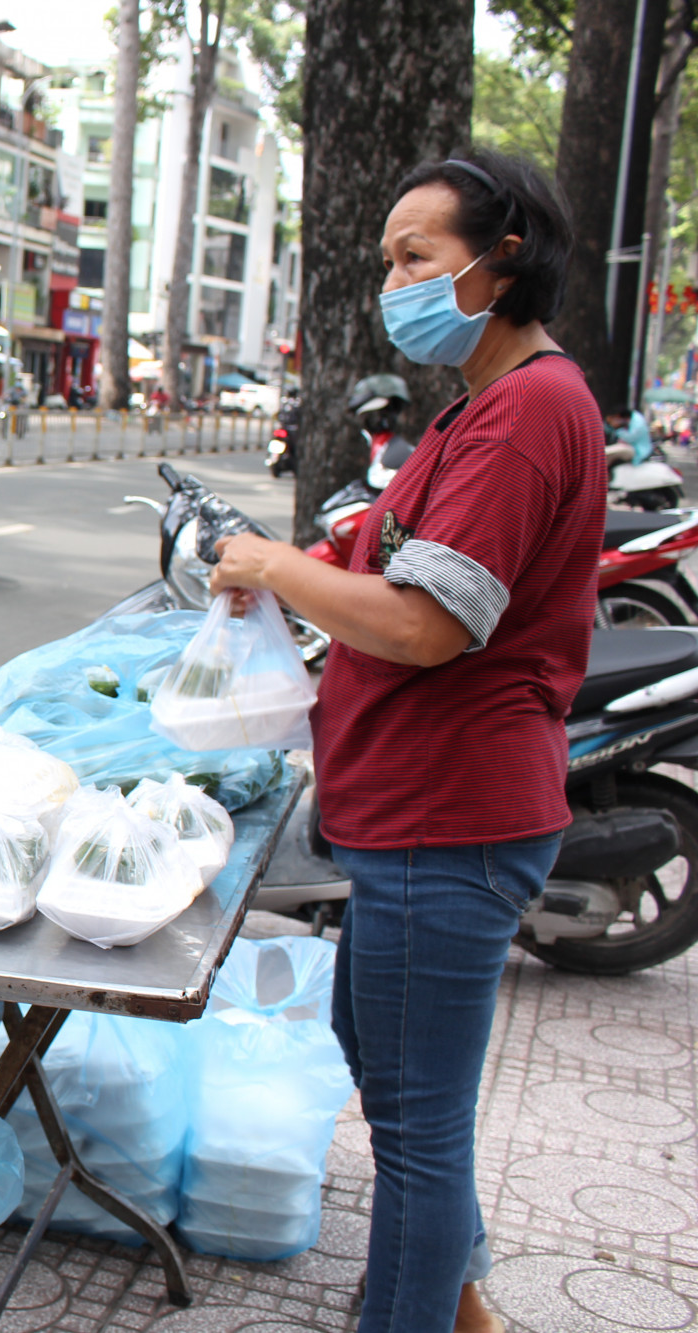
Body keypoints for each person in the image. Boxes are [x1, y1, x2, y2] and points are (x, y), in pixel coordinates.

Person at [208, 151, 600, 1333]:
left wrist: (274, 563)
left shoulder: (527, 411)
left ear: (501, 260)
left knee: (417, 1125)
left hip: (452, 817)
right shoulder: (475, 406)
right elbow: (384, 567)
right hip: (408, 814)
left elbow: (429, 625)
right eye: (389, 260)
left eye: (414, 257)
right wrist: (294, 577)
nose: (392, 281)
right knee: (388, 1079)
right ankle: (460, 1306)